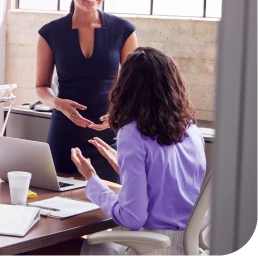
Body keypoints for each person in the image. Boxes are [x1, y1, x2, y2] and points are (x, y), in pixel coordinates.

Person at [71, 47, 207, 255]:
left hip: (152, 246)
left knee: (84, 247)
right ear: (173, 85)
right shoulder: (192, 131)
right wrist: (121, 164)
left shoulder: (132, 134)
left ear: (127, 88)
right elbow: (167, 183)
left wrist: (92, 180)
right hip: (187, 247)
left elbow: (132, 218)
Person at [35, 0, 138, 183]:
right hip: (64, 136)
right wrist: (58, 103)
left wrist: (120, 115)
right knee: (59, 207)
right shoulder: (50, 33)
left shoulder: (124, 30)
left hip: (109, 134)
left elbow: (136, 86)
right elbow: (41, 87)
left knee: (110, 208)